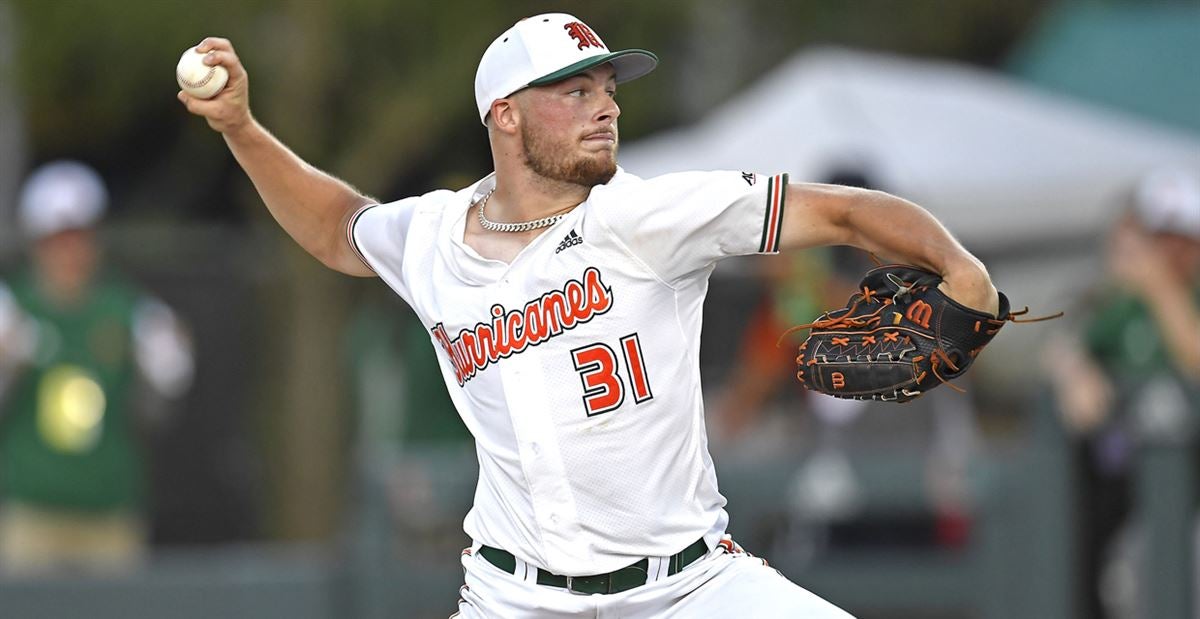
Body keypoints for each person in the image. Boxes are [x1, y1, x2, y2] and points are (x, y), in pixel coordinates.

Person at [178, 13, 999, 617]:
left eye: (607, 90)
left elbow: (847, 212)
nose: (605, 107)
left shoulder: (649, 215)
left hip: (688, 588)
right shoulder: (429, 236)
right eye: (575, 92)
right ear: (505, 113)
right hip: (514, 597)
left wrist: (960, 268)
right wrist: (243, 128)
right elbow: (335, 225)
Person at [0, 161, 193, 576]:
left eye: (79, 239)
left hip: (110, 517)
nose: (69, 254)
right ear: (37, 244)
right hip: (31, 517)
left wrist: (167, 371)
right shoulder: (10, 310)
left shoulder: (131, 313)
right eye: (57, 241)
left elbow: (158, 412)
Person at [1044, 169, 1200, 618]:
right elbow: (1067, 341)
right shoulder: (1122, 302)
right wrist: (1076, 371)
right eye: (1158, 237)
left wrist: (1160, 288)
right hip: (1133, 487)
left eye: (1178, 237)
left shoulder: (1174, 293)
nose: (1167, 251)